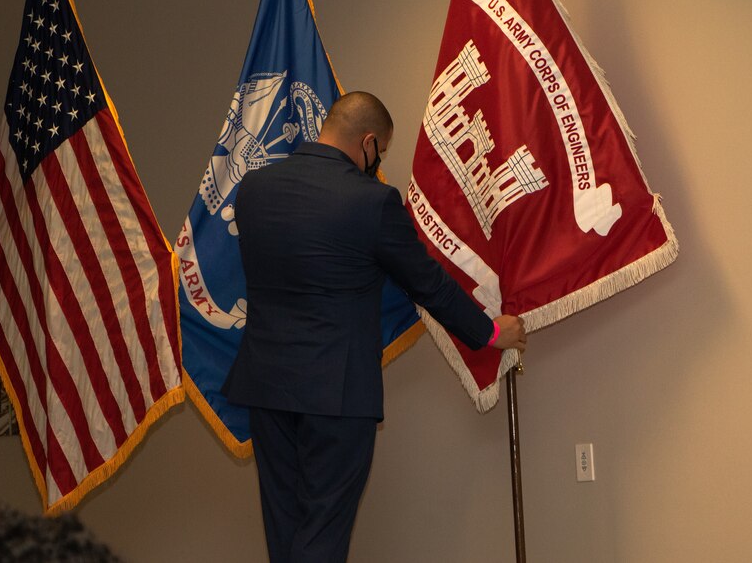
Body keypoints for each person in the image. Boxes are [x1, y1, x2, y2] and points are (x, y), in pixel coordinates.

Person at [222, 91, 527, 563]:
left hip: (266, 387)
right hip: (337, 394)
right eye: (379, 153)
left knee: (286, 531)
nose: (378, 163)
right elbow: (429, 284)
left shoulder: (254, 189)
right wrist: (489, 333)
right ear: (368, 143)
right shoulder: (372, 202)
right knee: (322, 532)